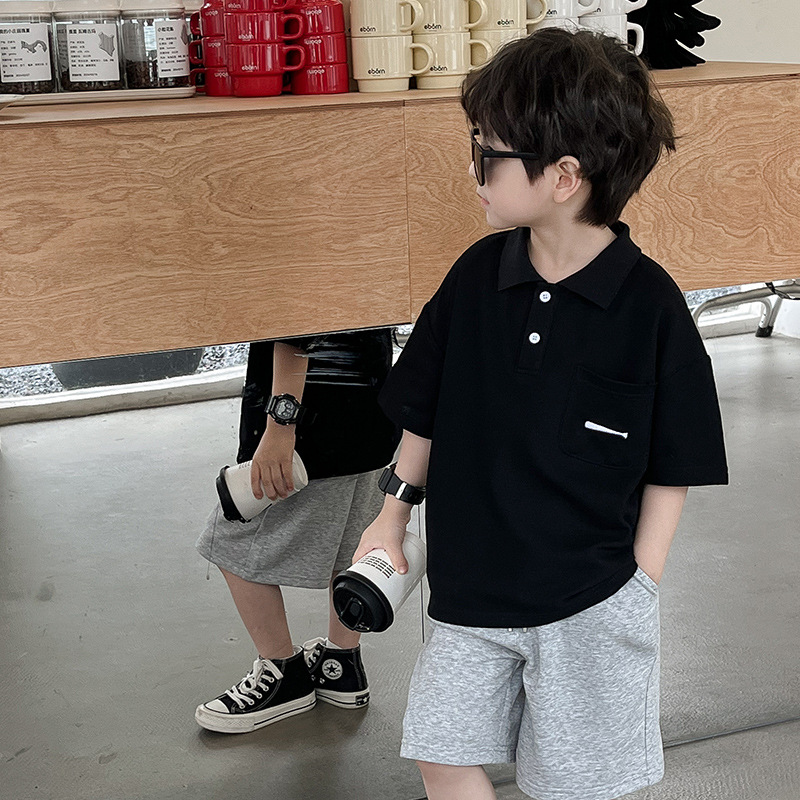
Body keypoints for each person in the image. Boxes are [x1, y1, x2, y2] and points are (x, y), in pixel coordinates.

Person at [354, 29, 729, 800]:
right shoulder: (474, 278)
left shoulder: (650, 308)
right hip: (469, 593)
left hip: (590, 603)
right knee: (440, 750)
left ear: (563, 176)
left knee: (572, 784)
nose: (473, 170)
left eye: (488, 153)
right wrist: (391, 518)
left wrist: (641, 583)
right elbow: (424, 408)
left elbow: (675, 463)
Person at [195, 329, 400, 734]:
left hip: (308, 427)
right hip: (372, 412)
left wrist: (280, 425)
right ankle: (340, 664)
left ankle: (283, 676)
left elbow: (298, 324)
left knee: (231, 542)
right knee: (352, 545)